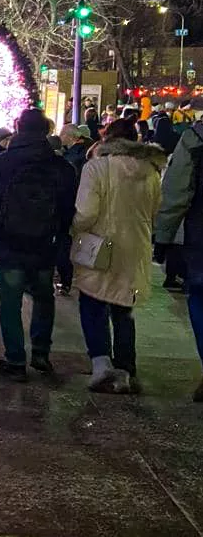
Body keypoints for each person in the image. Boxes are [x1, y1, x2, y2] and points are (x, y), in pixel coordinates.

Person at [0, 108, 78, 382]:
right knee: (44, 299)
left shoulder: (0, 164)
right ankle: (41, 352)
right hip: (44, 246)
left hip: (9, 246)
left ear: (18, 128)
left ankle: (16, 359)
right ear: (47, 130)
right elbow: (69, 210)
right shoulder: (62, 167)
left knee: (10, 303)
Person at [71, 119, 164, 394]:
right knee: (124, 309)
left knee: (92, 302)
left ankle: (101, 363)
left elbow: (86, 212)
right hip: (136, 247)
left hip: (100, 246)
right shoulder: (151, 171)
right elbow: (154, 211)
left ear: (107, 140)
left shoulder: (96, 168)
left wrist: (74, 229)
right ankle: (125, 369)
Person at [154, 117, 203, 401]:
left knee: (199, 295)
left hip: (201, 232)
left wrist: (163, 236)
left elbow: (176, 192)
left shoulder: (195, 138)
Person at [55, 124, 94, 297]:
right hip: (78, 204)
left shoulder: (72, 158)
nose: (60, 138)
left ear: (70, 137)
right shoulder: (84, 153)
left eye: (62, 135)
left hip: (69, 204)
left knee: (64, 242)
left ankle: (66, 279)